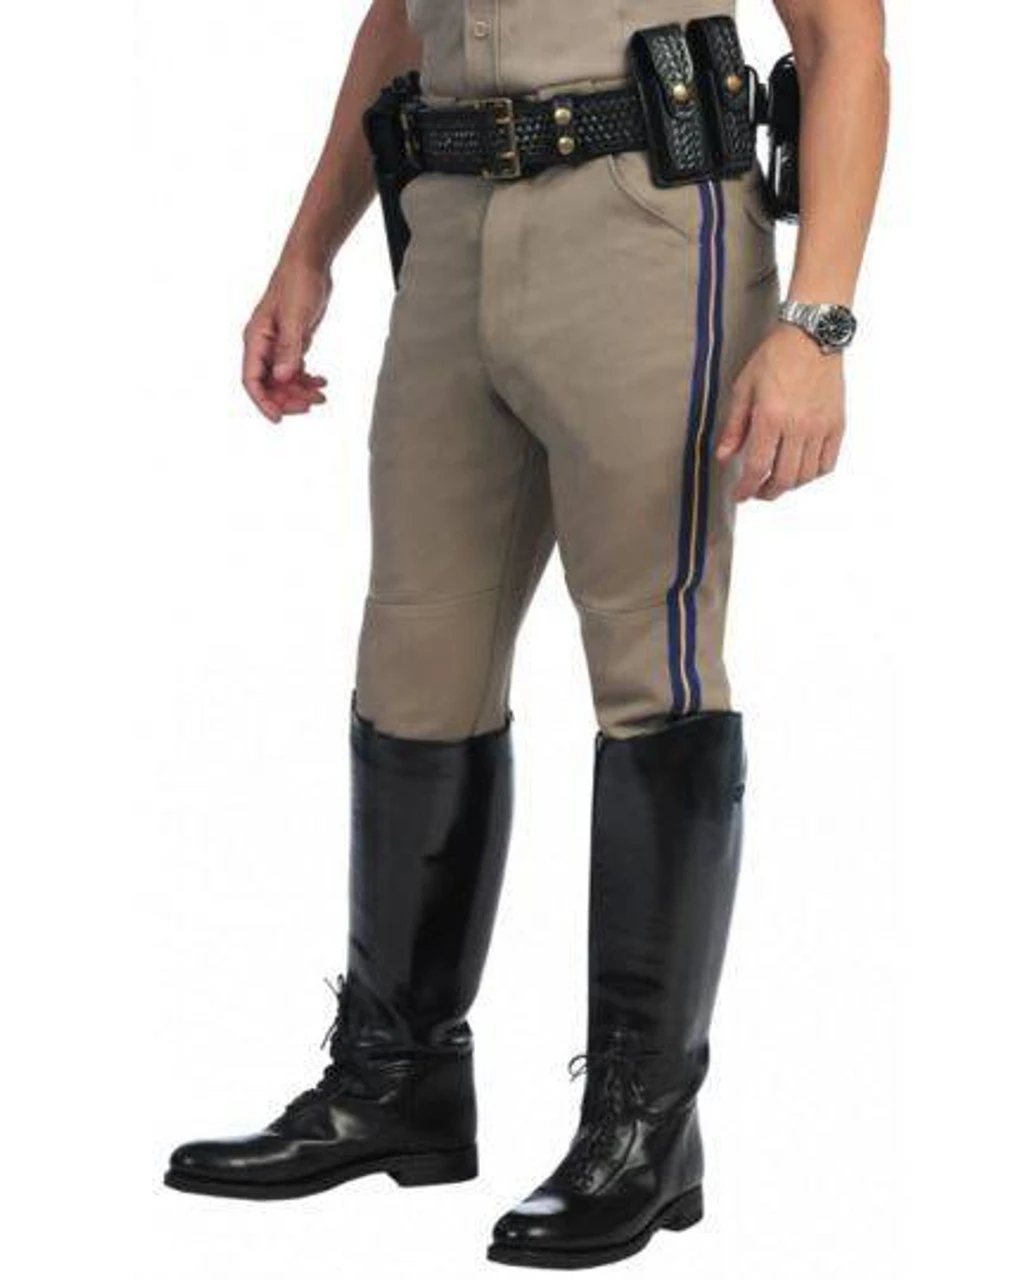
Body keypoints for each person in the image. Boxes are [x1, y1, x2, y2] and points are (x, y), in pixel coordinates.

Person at [165, 0, 889, 1269]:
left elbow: (845, 40)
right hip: (450, 223)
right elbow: (401, 18)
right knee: (414, 661)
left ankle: (644, 1127)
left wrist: (817, 321)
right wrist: (308, 249)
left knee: (652, 670)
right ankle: (397, 1077)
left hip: (645, 219)